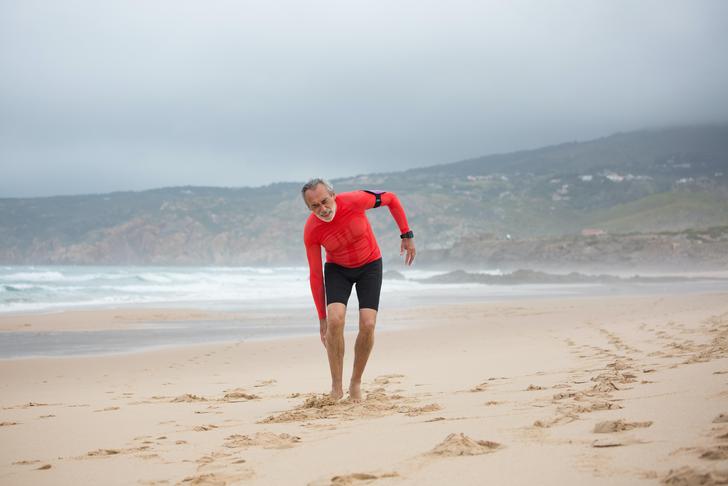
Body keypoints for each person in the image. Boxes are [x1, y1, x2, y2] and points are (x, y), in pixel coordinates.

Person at [302, 178, 415, 401]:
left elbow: (391, 198)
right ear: (309, 208)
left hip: (370, 265)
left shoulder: (355, 200)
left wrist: (406, 235)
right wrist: (322, 318)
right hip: (337, 270)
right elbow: (315, 276)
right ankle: (336, 387)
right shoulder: (312, 230)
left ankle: (355, 383)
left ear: (333, 195)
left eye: (325, 201)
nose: (322, 209)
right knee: (335, 321)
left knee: (368, 323)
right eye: (315, 206)